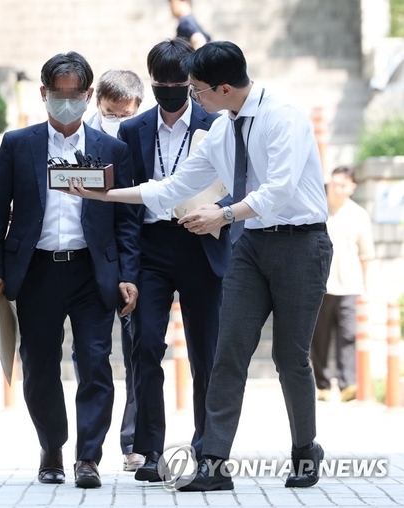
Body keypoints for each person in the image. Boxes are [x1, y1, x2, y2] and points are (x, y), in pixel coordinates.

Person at [64, 41, 333, 491]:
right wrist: (101, 194)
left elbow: (279, 190)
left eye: (196, 89)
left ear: (223, 88)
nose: (190, 97)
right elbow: (172, 187)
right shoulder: (224, 130)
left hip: (300, 245)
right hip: (251, 246)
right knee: (227, 353)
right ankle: (214, 463)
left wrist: (223, 214)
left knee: (290, 358)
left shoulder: (283, 118)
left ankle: (305, 449)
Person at [0, 51, 140, 489]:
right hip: (36, 271)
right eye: (58, 94)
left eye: (75, 94)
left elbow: (127, 221)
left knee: (95, 363)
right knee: (39, 365)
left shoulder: (112, 149)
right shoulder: (18, 144)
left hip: (92, 272)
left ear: (89, 95)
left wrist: (128, 274)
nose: (66, 102)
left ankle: (88, 458)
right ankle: (51, 447)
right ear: (44, 93)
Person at [114, 38, 230, 484]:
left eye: (177, 82)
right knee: (145, 347)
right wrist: (128, 269)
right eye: (160, 82)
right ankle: (149, 450)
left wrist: (219, 213)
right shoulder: (133, 130)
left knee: (207, 353)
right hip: (151, 249)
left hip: (203, 245)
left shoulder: (217, 124)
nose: (169, 89)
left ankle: (207, 448)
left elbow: (240, 185)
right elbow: (127, 209)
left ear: (191, 82)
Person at [83, 68, 146, 472]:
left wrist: (131, 271)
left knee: (138, 351)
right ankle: (88, 449)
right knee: (91, 356)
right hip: (86, 262)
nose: (118, 121)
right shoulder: (80, 136)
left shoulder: (142, 138)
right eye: (110, 113)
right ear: (97, 103)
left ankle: (134, 441)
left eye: (126, 114)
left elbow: (135, 213)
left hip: (132, 260)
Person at [311, 166, 374, 403]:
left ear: (352, 187)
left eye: (343, 185)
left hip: (351, 286)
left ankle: (348, 384)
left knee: (348, 335)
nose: (337, 189)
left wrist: (367, 286)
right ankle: (323, 385)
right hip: (321, 285)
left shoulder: (359, 215)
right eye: (334, 184)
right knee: (319, 338)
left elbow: (366, 254)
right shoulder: (317, 209)